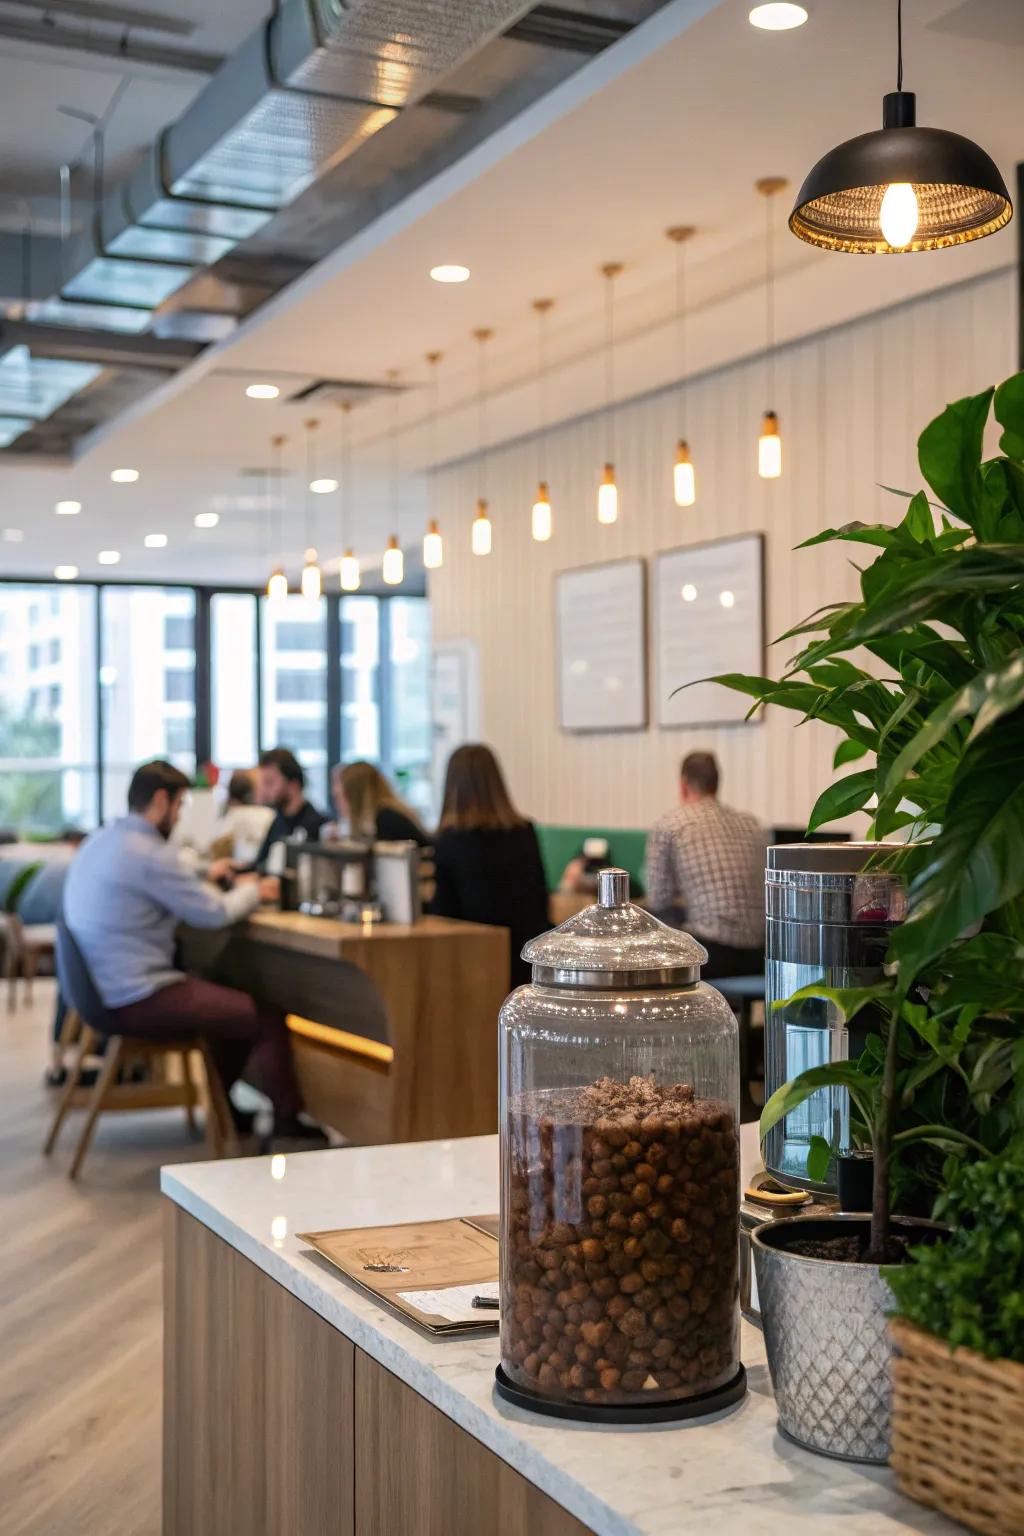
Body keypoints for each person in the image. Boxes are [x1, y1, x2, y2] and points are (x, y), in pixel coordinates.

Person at [62, 759, 320, 1148]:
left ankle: (226, 1111)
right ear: (162, 801)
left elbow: (163, 874)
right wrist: (258, 891)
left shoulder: (105, 840)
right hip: (136, 996)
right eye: (180, 806)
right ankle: (287, 1126)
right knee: (263, 1015)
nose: (179, 816)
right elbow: (213, 914)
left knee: (222, 990)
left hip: (100, 992)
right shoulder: (151, 853)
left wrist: (204, 871)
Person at [429, 744, 549, 989]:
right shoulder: (524, 831)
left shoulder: (450, 840)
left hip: (474, 962)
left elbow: (444, 914)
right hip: (528, 960)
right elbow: (539, 898)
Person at [644, 751, 767, 978]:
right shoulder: (753, 825)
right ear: (716, 784)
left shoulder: (671, 825)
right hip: (759, 955)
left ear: (683, 785)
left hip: (710, 956)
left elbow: (658, 899)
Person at [252, 747, 329, 869]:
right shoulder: (278, 820)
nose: (265, 791)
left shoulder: (317, 826)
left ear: (293, 784)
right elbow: (259, 864)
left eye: (270, 783)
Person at [330, 760, 430, 846]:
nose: (337, 804)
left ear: (353, 796)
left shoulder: (386, 819)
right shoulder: (386, 813)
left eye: (339, 797)